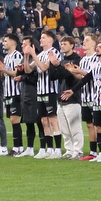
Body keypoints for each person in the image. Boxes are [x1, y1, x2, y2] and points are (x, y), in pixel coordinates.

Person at [26, 30, 62, 158]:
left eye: (43, 37)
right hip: (40, 91)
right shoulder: (40, 54)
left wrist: (33, 54)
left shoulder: (54, 52)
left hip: (50, 90)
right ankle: (49, 149)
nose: (40, 40)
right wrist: (26, 56)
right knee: (43, 121)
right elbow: (28, 69)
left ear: (50, 40)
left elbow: (44, 67)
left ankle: (58, 150)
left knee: (52, 119)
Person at [0, 34, 26, 155]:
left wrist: (4, 69)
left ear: (13, 43)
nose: (3, 43)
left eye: (5, 41)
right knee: (12, 119)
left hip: (16, 92)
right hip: (7, 92)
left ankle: (19, 147)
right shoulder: (6, 57)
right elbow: (4, 75)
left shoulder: (17, 56)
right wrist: (0, 70)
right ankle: (17, 147)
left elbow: (17, 73)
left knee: (14, 119)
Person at [53, 36, 84, 159]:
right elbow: (54, 76)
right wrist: (54, 66)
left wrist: (58, 66)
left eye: (65, 44)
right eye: (61, 44)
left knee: (74, 127)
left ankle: (78, 150)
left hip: (73, 97)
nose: (62, 46)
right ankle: (69, 150)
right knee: (64, 129)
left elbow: (70, 74)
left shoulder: (76, 59)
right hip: (61, 97)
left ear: (72, 45)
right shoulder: (62, 60)